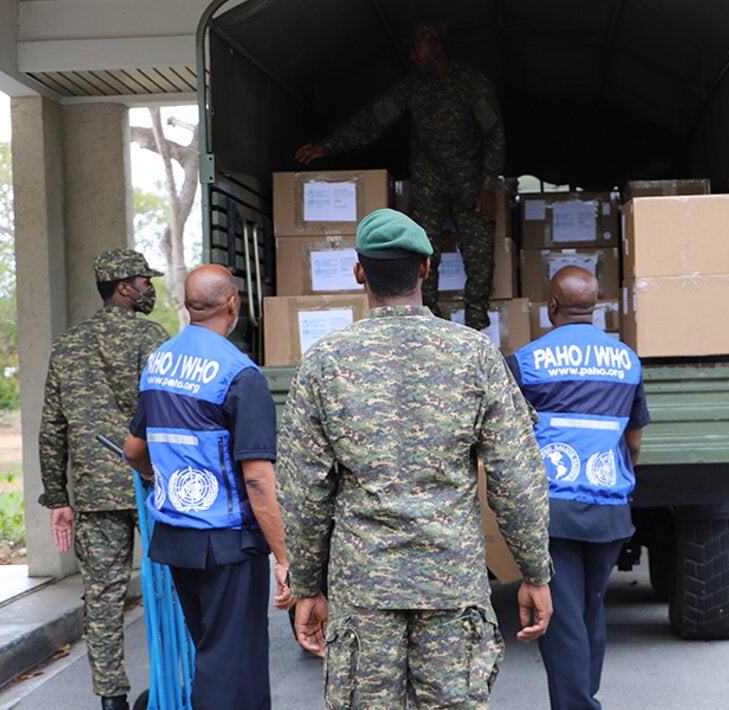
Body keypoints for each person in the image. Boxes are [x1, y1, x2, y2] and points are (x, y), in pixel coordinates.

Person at [277, 208, 553, 708]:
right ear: (426, 268)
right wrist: (535, 572)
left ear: (359, 273)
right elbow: (516, 478)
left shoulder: (324, 361)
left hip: (364, 588)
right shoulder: (474, 355)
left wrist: (306, 586)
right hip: (451, 584)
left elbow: (303, 492)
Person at [123, 264, 293, 709]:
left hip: (177, 539)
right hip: (227, 542)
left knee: (215, 649)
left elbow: (134, 449)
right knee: (230, 663)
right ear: (233, 303)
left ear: (187, 305)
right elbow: (257, 478)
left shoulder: (159, 363)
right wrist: (284, 558)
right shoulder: (239, 373)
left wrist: (161, 477)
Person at [295, 21, 505, 331]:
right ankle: (430, 326)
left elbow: (494, 133)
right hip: (429, 181)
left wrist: (487, 185)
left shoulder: (471, 83)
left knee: (479, 254)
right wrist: (327, 146)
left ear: (435, 46)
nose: (411, 56)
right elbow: (372, 121)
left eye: (416, 49)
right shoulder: (411, 87)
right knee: (422, 253)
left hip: (470, 182)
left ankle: (476, 326)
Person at [505, 266, 650, 710]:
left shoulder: (526, 361)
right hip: (610, 508)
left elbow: (505, 440)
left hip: (555, 510)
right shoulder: (627, 361)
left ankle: (579, 705)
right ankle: (585, 697)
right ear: (596, 307)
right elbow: (634, 441)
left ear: (550, 306)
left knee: (562, 617)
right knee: (590, 610)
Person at [37, 248, 170, 710]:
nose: (149, 289)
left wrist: (58, 496)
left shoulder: (68, 345)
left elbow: (52, 427)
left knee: (102, 597)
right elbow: (167, 410)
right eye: (144, 282)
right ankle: (169, 686)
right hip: (151, 484)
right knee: (168, 589)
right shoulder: (150, 337)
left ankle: (112, 699)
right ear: (123, 287)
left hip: (94, 492)